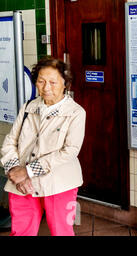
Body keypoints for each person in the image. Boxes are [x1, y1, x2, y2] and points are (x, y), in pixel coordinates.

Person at [0, 57, 86, 236]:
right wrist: (16, 171)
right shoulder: (28, 108)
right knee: (21, 232)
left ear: (65, 84)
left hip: (59, 183)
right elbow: (10, 141)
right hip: (20, 183)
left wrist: (28, 171)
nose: (46, 87)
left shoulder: (75, 113)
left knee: (61, 232)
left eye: (53, 82)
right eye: (41, 81)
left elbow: (70, 151)